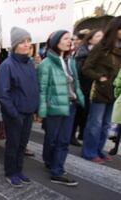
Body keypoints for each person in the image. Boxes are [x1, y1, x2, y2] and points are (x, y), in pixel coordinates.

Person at [38, 30, 84, 186]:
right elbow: (42, 89)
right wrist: (42, 110)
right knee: (51, 139)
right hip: (54, 108)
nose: (69, 41)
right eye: (65, 38)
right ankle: (50, 161)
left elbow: (75, 82)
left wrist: (80, 98)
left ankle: (57, 171)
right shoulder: (46, 64)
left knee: (63, 141)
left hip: (70, 106)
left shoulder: (70, 61)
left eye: (70, 38)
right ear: (56, 42)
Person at [0, 27, 40, 187]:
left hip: (27, 112)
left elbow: (33, 87)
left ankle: (19, 170)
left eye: (29, 41)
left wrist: (35, 108)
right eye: (23, 42)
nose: (27, 44)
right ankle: (10, 172)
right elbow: (2, 93)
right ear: (15, 45)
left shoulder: (29, 63)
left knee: (22, 144)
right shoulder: (7, 65)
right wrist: (14, 114)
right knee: (13, 144)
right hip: (15, 114)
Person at [82, 16, 121, 164]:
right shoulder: (102, 46)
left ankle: (99, 150)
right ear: (116, 29)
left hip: (115, 91)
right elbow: (86, 68)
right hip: (100, 90)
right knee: (95, 123)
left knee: (106, 124)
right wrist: (100, 78)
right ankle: (89, 152)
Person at [71, 29, 104, 145]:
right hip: (82, 85)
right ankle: (72, 135)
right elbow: (79, 71)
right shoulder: (82, 53)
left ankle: (82, 133)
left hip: (92, 86)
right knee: (79, 111)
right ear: (90, 39)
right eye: (98, 36)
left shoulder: (99, 52)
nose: (101, 38)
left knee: (86, 111)